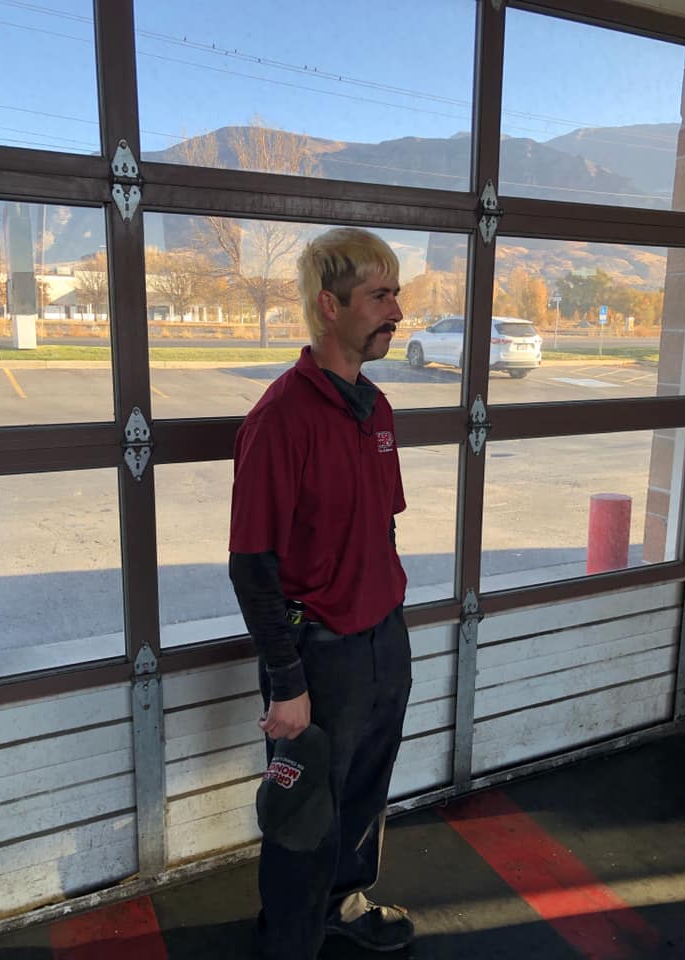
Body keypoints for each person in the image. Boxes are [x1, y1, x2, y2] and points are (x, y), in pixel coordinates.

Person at [229, 226, 413, 960]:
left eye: (396, 293)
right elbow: (252, 564)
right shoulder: (281, 419)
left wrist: (387, 619)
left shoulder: (376, 410)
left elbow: (382, 527)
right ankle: (289, 944)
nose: (397, 311)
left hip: (383, 638)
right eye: (380, 295)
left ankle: (344, 904)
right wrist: (287, 681)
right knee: (303, 814)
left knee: (366, 792)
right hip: (319, 654)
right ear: (329, 306)